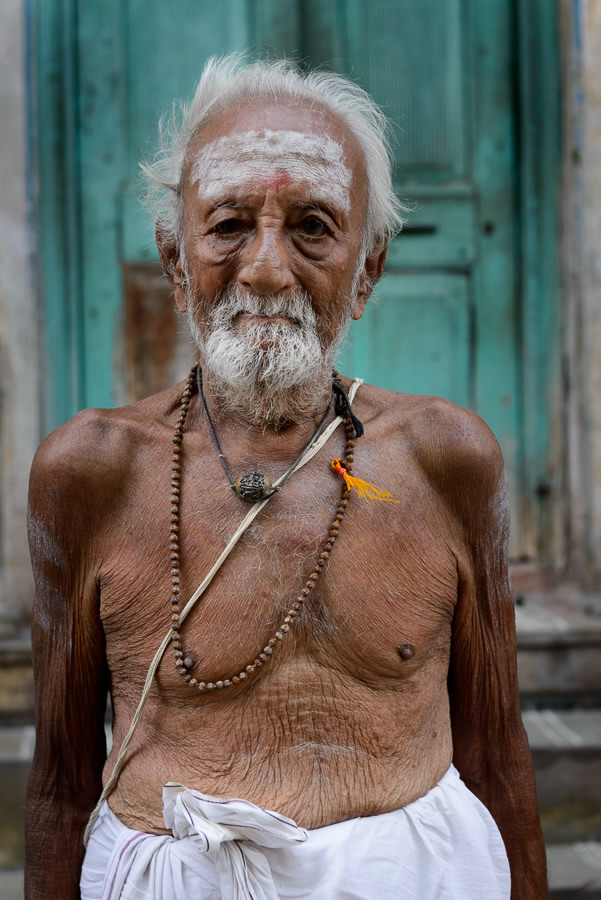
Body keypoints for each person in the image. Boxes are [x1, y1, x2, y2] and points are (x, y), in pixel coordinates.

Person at [25, 55, 546, 899]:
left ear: (367, 269)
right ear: (175, 261)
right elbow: (56, 789)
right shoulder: (88, 472)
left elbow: (497, 755)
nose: (266, 269)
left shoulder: (448, 456)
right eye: (229, 224)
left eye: (311, 225)